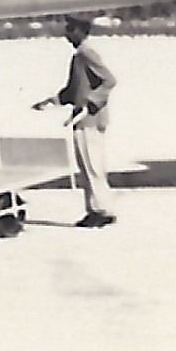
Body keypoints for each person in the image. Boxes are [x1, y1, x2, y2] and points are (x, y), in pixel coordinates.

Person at [34, 18, 122, 227]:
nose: (66, 34)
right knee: (87, 166)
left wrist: (91, 104)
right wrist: (53, 101)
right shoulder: (79, 56)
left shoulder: (87, 54)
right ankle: (96, 209)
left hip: (89, 119)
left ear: (80, 31)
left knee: (92, 166)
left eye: (70, 30)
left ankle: (102, 211)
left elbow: (109, 80)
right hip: (83, 119)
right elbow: (74, 90)